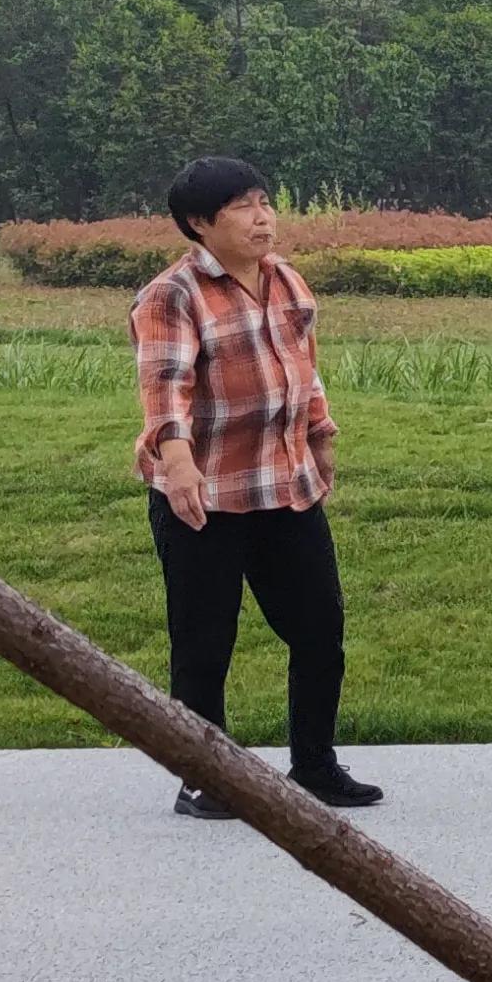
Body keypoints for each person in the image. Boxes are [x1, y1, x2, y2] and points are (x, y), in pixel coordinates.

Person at [129, 156, 378, 814]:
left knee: (320, 629)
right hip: (204, 496)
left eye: (265, 202)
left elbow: (304, 371)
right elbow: (165, 385)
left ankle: (315, 766)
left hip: (284, 485)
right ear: (199, 223)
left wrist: (321, 438)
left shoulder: (286, 279)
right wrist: (177, 461)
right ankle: (204, 779)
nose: (262, 218)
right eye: (242, 207)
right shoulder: (172, 295)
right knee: (204, 644)